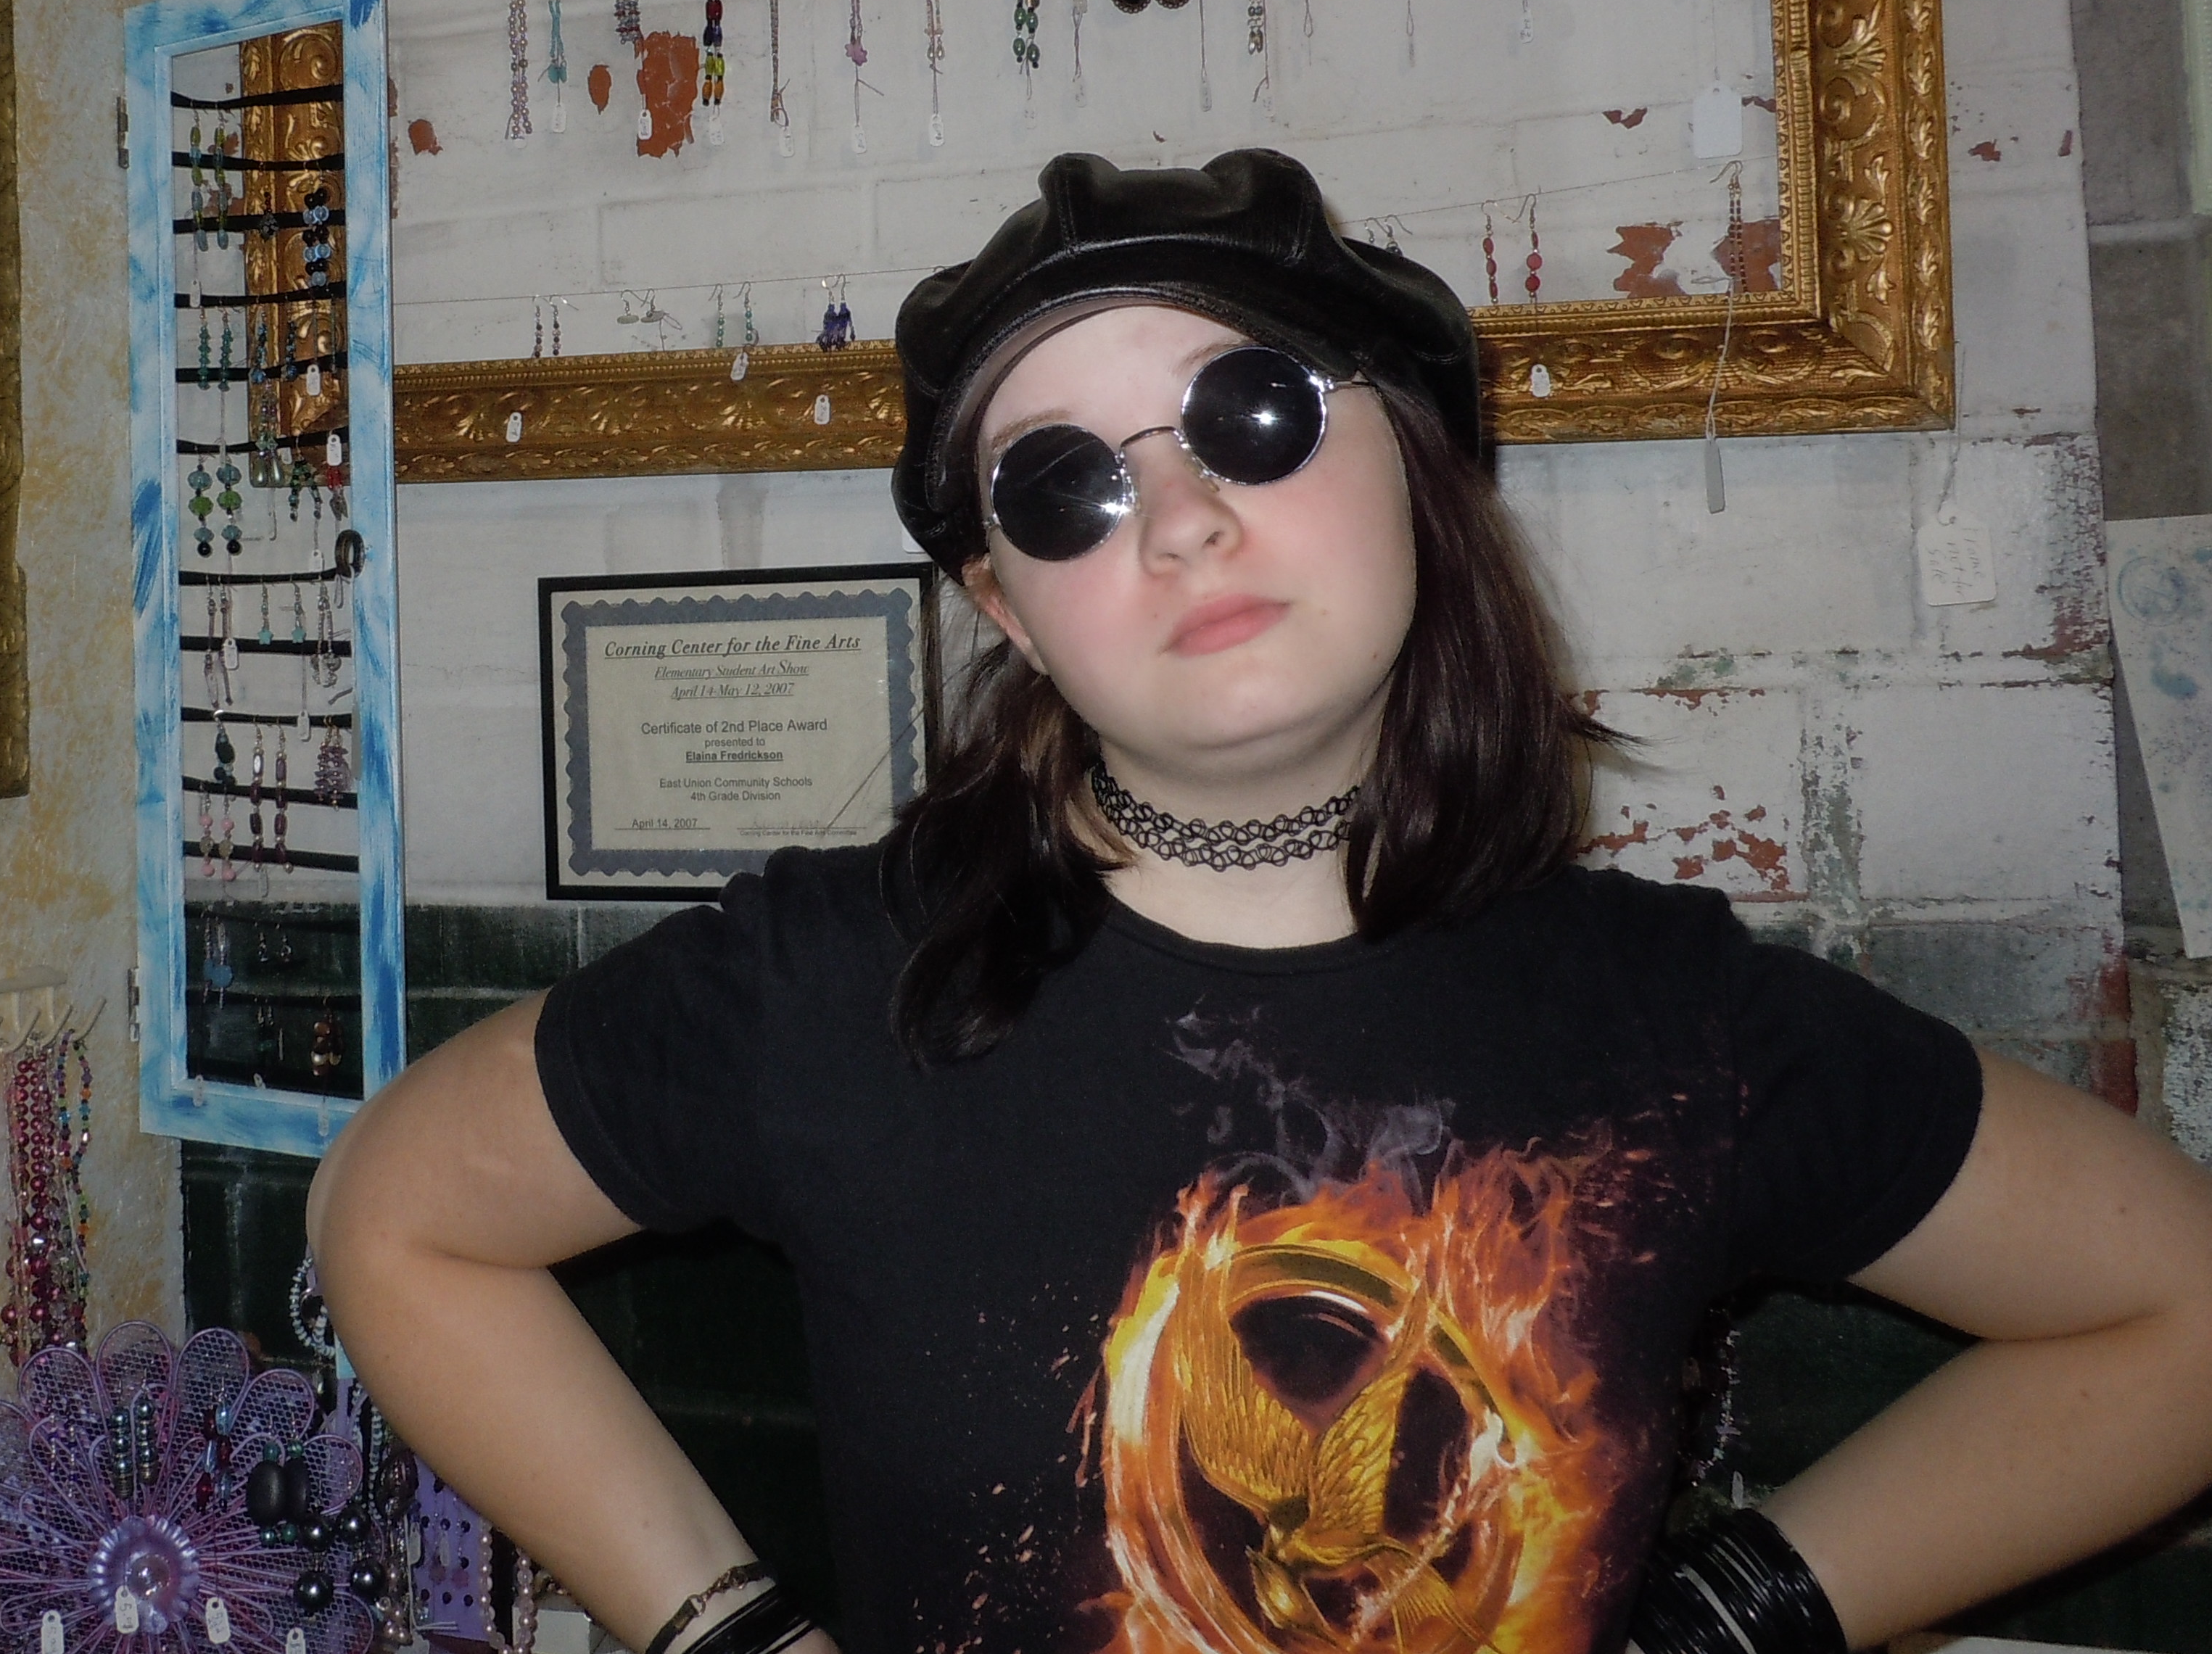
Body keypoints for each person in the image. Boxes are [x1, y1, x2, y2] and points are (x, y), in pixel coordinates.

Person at [310, 149, 2212, 1654]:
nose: (1181, 517)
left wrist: (1739, 1617)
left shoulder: (1674, 1026)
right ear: (1005, 607)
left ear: (1419, 462)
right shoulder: (833, 988)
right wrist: (728, 1634)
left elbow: (2176, 1314)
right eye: (1062, 487)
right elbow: (396, 1219)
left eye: (1254, 411)